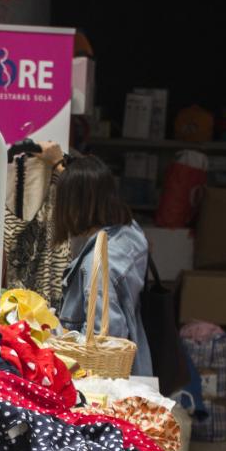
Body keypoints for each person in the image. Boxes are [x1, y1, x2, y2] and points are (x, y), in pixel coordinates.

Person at [51, 153, 155, 377]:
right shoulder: (130, 233)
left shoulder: (95, 266)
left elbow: (104, 341)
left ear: (73, 204)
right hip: (139, 365)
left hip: (102, 380)